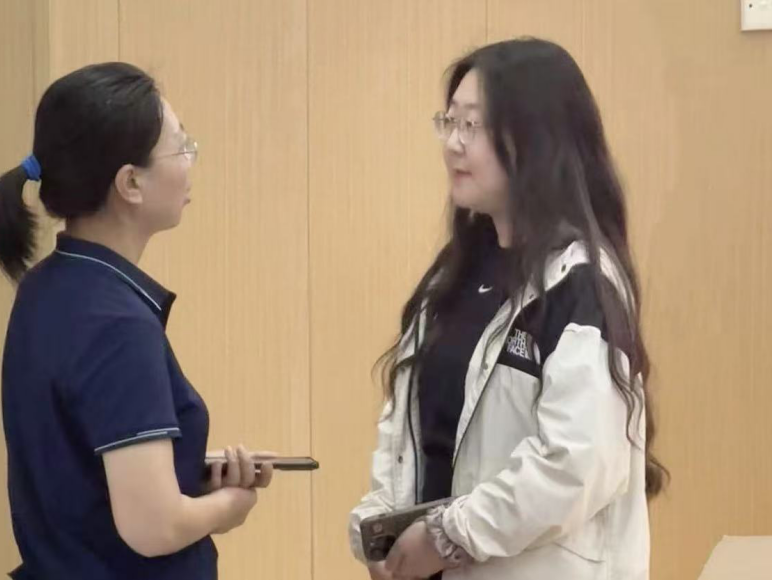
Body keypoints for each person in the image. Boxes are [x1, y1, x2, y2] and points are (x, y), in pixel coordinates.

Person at [349, 38, 668, 580]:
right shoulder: (450, 282)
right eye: (449, 122)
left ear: (536, 139)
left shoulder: (582, 285)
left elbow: (575, 463)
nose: (453, 143)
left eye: (472, 125)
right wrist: (380, 525)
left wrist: (450, 536)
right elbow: (408, 431)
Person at [0, 62, 273, 580]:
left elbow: (79, 473)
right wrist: (231, 505)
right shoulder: (116, 324)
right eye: (181, 146)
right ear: (130, 182)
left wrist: (186, 470)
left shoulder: (46, 287)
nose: (190, 162)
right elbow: (153, 527)